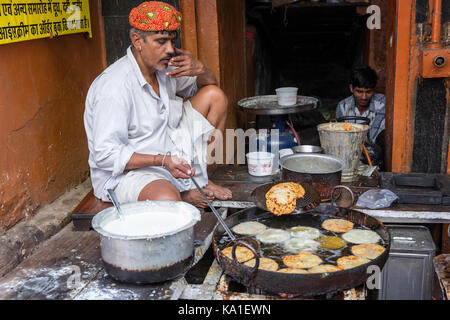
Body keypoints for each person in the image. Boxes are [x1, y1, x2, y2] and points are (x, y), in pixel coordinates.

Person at [84, 1, 232, 208]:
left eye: (172, 41)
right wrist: (161, 160)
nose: (170, 49)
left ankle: (199, 180)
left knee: (214, 96)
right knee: (167, 201)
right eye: (161, 41)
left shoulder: (164, 69)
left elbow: (209, 86)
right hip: (130, 172)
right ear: (137, 41)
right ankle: (182, 194)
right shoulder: (114, 87)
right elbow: (105, 155)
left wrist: (201, 69)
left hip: (169, 158)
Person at [335, 65, 386, 159]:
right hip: (349, 154)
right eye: (359, 91)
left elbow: (376, 139)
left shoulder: (382, 104)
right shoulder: (343, 106)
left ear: (374, 89)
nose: (364, 97)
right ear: (351, 88)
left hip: (375, 155)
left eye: (368, 92)